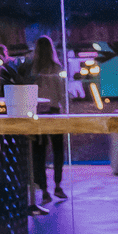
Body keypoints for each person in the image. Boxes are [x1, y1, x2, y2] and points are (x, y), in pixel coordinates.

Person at [30, 37, 67, 208]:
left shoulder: (32, 70)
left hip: (38, 112)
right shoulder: (57, 68)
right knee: (58, 149)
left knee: (39, 152)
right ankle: (58, 185)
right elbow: (62, 94)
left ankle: (44, 190)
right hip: (54, 111)